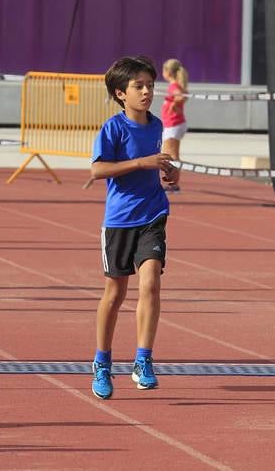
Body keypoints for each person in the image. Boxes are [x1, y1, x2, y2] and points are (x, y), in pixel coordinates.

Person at [89, 55, 179, 400]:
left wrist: (170, 173)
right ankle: (101, 362)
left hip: (153, 215)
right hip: (119, 221)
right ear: (120, 93)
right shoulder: (112, 128)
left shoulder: (157, 127)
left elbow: (160, 168)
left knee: (151, 284)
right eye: (138, 86)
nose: (146, 92)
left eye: (150, 85)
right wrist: (142, 162)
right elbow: (97, 171)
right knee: (115, 294)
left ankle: (143, 360)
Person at [160, 58, 189, 192]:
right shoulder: (175, 85)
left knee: (170, 155)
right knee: (169, 154)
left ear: (168, 72)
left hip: (174, 124)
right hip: (173, 124)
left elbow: (181, 96)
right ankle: (173, 182)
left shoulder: (174, 87)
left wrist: (173, 105)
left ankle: (173, 183)